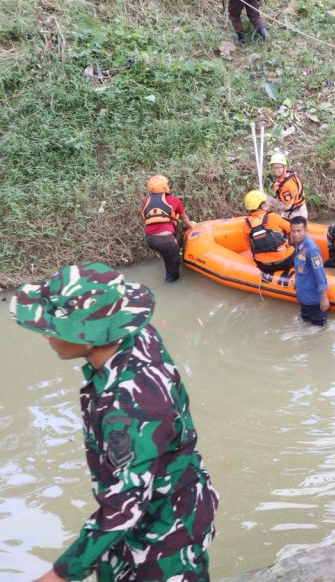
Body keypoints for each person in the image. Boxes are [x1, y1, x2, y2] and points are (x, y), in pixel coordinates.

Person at [10, 262, 218, 581]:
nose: (46, 336)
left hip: (168, 529)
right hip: (140, 508)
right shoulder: (134, 335)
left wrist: (60, 575)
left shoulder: (130, 407)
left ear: (90, 338)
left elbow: (124, 505)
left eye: (55, 328)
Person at [141, 174, 195, 284]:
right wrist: (192, 226)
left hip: (150, 239)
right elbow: (184, 217)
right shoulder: (173, 200)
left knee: (168, 255)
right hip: (166, 241)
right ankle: (171, 287)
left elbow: (147, 218)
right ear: (164, 187)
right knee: (173, 274)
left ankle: (169, 262)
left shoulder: (147, 202)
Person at [290, 216, 330, 326]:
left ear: (306, 230)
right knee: (305, 323)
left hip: (313, 300)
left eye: (299, 231)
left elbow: (320, 274)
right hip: (303, 297)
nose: (295, 234)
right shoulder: (298, 246)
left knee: (319, 328)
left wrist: (324, 298)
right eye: (293, 231)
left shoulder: (312, 249)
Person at [244, 189, 295, 274]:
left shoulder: (247, 224)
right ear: (263, 206)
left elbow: (248, 246)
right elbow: (291, 229)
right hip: (285, 261)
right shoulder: (273, 217)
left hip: (264, 266)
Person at [267, 153, 307, 220]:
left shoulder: (288, 185)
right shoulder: (284, 176)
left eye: (279, 167)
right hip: (293, 210)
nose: (276, 170)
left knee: (268, 199)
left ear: (285, 167)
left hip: (295, 214)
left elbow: (286, 207)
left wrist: (270, 201)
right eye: (274, 167)